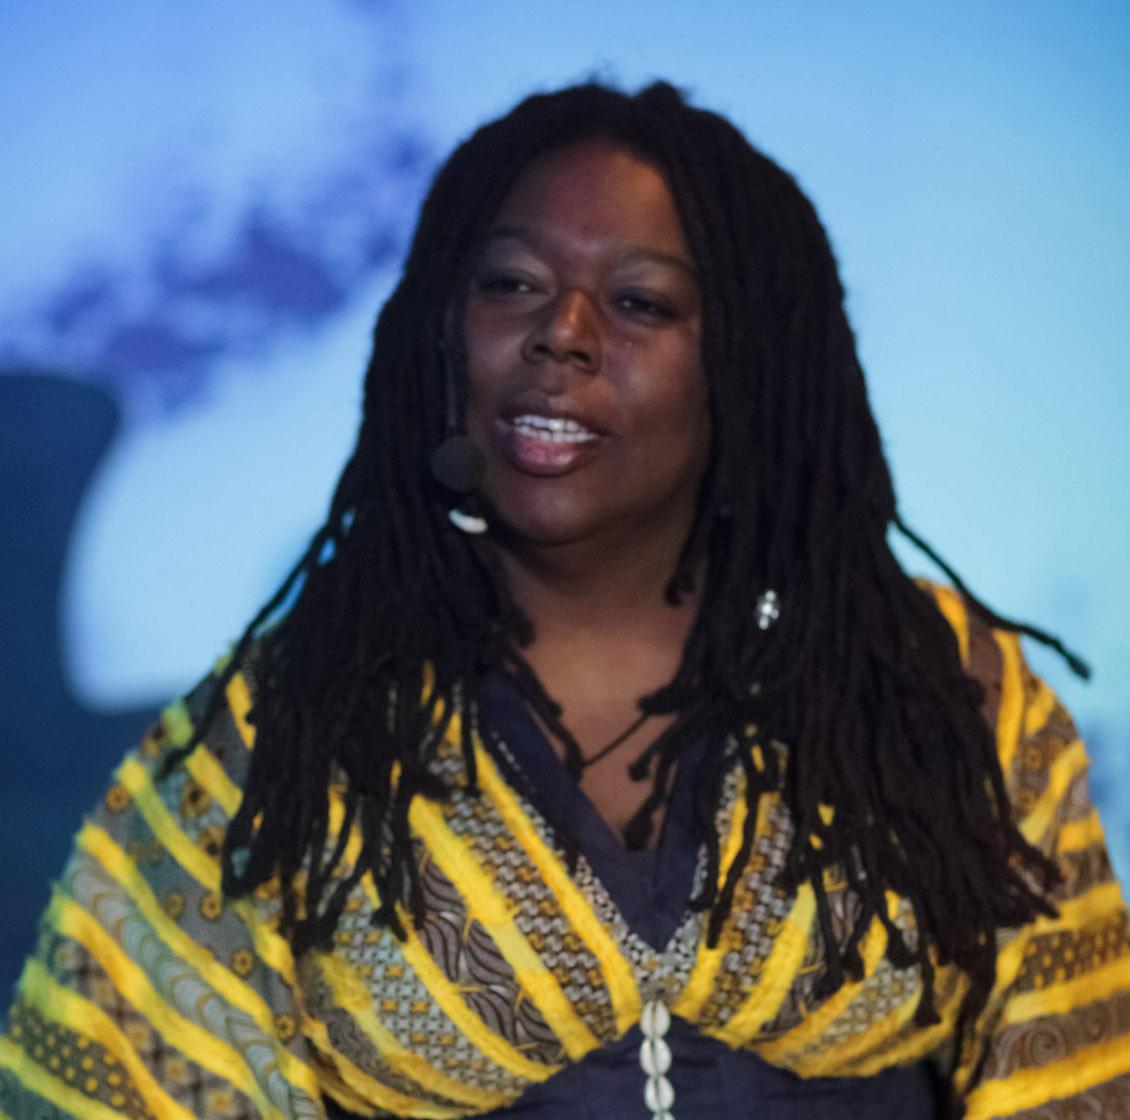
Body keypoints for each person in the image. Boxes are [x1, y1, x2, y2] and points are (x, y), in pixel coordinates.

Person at [1, 81, 1127, 1120]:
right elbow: (107, 1079)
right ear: (441, 328)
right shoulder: (286, 727)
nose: (562, 334)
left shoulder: (938, 687)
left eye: (639, 302)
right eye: (512, 285)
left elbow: (1073, 1078)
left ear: (746, 362)